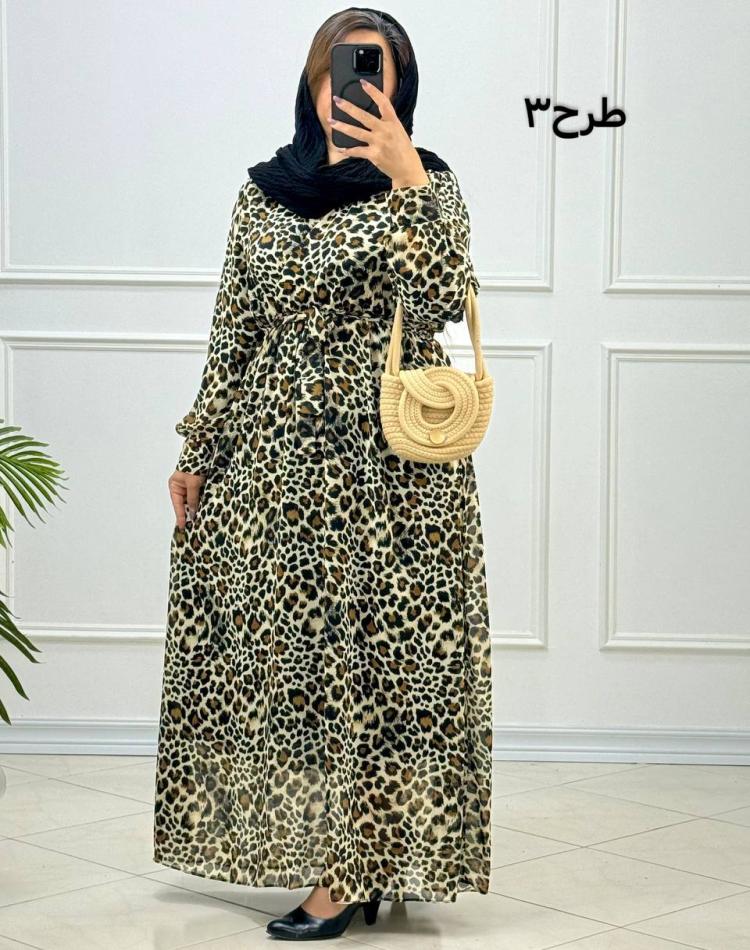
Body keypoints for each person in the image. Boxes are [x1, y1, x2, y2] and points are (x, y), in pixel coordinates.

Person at [153, 5, 493, 942]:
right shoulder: (264, 192)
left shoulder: (429, 183)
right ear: (312, 84)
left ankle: (349, 874)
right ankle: (340, 861)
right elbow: (235, 331)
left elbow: (443, 300)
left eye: (380, 75)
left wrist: (408, 176)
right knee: (296, 670)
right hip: (273, 468)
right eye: (341, 73)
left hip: (391, 475)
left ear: (402, 89)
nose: (357, 91)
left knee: (383, 669)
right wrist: (198, 450)